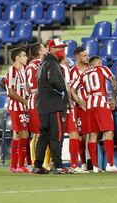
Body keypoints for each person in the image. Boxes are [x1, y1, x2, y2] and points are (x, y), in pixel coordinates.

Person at [71, 56, 117, 173]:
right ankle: (110, 164)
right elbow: (113, 81)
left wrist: (80, 101)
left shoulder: (83, 74)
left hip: (89, 105)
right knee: (108, 132)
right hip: (101, 104)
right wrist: (113, 98)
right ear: (98, 63)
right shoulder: (102, 69)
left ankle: (94, 166)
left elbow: (71, 90)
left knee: (93, 135)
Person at [33, 38, 70, 174]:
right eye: (60, 48)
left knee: (44, 136)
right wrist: (62, 91)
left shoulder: (43, 62)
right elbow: (54, 80)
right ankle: (58, 166)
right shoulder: (52, 63)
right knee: (56, 136)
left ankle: (38, 165)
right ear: (52, 49)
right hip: (53, 105)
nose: (63, 50)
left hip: (43, 105)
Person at [4, 47, 30, 173]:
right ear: (17, 58)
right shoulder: (11, 71)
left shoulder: (23, 70)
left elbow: (24, 88)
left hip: (23, 107)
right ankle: (17, 165)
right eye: (24, 56)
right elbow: (10, 91)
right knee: (21, 133)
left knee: (19, 134)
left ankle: (16, 165)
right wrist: (24, 101)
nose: (26, 58)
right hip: (16, 107)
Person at [26, 42, 51, 169]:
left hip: (38, 99)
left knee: (43, 132)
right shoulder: (37, 65)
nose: (47, 49)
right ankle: (38, 163)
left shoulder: (33, 64)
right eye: (44, 48)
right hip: (37, 100)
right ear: (40, 52)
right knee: (39, 133)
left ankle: (44, 163)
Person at [70, 46, 90, 171]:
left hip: (92, 106)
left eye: (87, 55)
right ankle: (83, 163)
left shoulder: (91, 69)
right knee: (81, 136)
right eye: (84, 55)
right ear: (77, 57)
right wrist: (79, 101)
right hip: (79, 107)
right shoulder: (72, 72)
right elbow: (70, 90)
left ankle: (93, 162)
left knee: (94, 134)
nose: (87, 57)